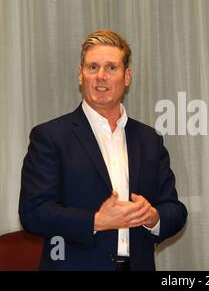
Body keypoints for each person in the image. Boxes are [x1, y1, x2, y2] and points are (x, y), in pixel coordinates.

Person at [19, 29, 187, 271]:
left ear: (127, 76)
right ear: (80, 75)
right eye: (92, 67)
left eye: (111, 68)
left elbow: (175, 210)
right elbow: (33, 213)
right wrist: (96, 221)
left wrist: (153, 217)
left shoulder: (149, 140)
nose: (101, 77)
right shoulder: (51, 136)